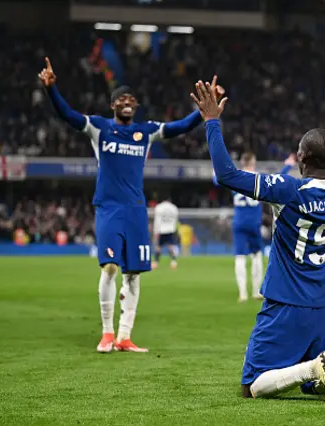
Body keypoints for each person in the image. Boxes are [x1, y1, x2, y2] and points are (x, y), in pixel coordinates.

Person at [192, 80, 325, 402]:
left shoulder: (287, 190)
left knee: (252, 386)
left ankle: (315, 368)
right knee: (313, 384)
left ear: (301, 156)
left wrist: (212, 121)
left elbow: (226, 174)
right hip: (322, 306)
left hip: (284, 301)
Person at [39, 57, 222, 353]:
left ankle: (125, 336)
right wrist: (51, 89)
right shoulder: (99, 128)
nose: (127, 102)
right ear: (113, 105)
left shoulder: (146, 132)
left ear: (135, 107)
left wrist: (204, 110)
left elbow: (179, 128)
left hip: (136, 209)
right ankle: (107, 333)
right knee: (110, 266)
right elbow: (68, 115)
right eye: (121, 99)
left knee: (133, 273)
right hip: (109, 207)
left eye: (131, 100)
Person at [217, 153, 296, 302]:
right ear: (253, 162)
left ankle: (242, 294)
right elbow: (277, 178)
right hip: (254, 223)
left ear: (241, 163)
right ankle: (255, 291)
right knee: (256, 256)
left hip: (239, 222)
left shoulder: (236, 177)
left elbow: (218, 179)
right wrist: (288, 165)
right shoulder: (258, 177)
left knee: (240, 257)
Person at [151, 196, 180, 270]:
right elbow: (175, 219)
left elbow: (157, 220)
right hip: (171, 229)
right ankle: (173, 262)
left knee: (158, 247)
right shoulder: (174, 207)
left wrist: (155, 231)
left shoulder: (159, 207)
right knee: (171, 246)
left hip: (161, 230)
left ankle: (156, 262)